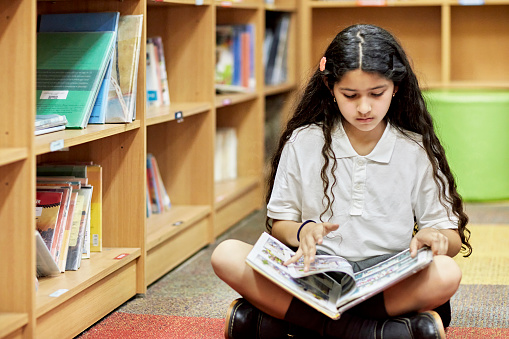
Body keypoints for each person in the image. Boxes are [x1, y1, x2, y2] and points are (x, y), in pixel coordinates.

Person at [211, 24, 472, 339]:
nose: (364, 107)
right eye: (350, 95)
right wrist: (303, 231)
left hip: (386, 278)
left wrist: (436, 237)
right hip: (315, 272)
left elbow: (451, 240)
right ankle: (372, 332)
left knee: (446, 273)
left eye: (377, 94)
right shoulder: (303, 141)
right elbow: (280, 223)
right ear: (329, 87)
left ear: (396, 88)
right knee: (226, 254)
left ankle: (285, 323)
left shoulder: (414, 149)